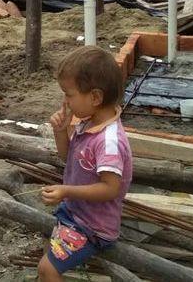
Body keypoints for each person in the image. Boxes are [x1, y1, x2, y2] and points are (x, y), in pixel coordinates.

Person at [38, 46, 132, 282]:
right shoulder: (88, 123)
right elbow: (68, 157)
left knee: (47, 269)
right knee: (47, 256)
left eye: (69, 95)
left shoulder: (109, 141)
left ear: (95, 97)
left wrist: (66, 190)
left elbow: (111, 188)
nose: (65, 102)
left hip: (92, 227)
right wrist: (61, 132)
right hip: (75, 213)